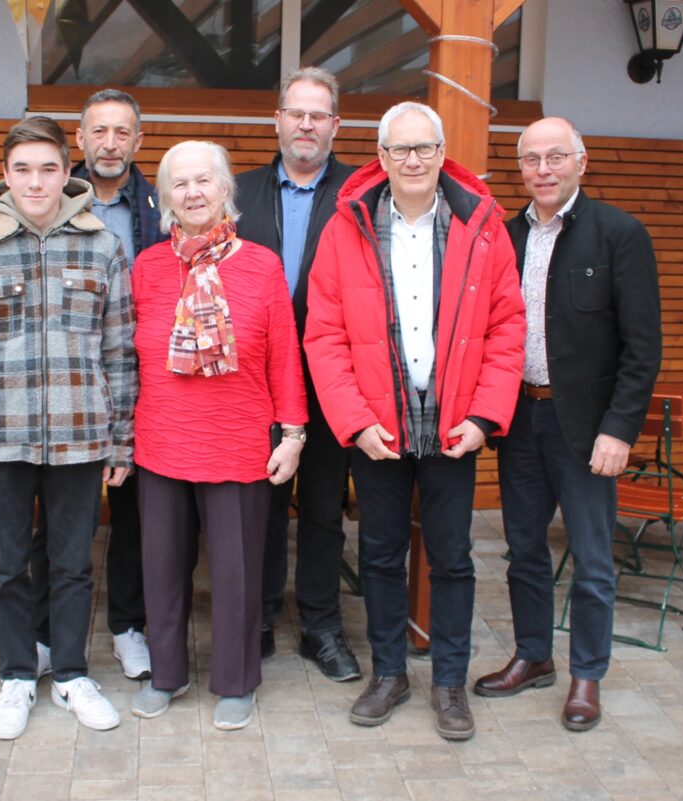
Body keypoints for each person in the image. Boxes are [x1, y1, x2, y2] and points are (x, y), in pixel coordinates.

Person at [304, 102, 525, 741]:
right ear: (380, 157)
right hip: (378, 429)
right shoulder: (346, 228)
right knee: (378, 555)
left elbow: (508, 328)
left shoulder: (480, 226)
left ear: (442, 152)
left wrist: (485, 417)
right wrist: (353, 421)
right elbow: (324, 336)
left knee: (453, 559)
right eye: (400, 150)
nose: (412, 160)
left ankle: (450, 684)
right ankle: (390, 675)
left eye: (424, 148)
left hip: (456, 428)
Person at [0, 116, 136, 740]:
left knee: (74, 564)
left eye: (48, 167)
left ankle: (73, 673)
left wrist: (121, 438)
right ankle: (19, 676)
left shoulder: (102, 246)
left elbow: (120, 351)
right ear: (5, 174)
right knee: (6, 567)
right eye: (22, 168)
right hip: (1, 437)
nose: (35, 180)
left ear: (66, 171)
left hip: (81, 437)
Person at [473, 116, 661, 732]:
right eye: (531, 159)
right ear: (521, 168)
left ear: (582, 161)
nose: (543, 169)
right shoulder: (506, 236)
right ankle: (534, 657)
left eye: (556, 157)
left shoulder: (618, 235)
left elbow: (643, 348)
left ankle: (587, 675)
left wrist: (620, 429)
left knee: (590, 557)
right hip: (520, 416)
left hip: (586, 427)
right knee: (523, 549)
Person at [128, 140, 306, 731]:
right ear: (164, 198)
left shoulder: (261, 265)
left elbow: (284, 355)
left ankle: (236, 680)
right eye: (179, 184)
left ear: (226, 189)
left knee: (236, 573)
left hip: (238, 440)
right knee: (161, 569)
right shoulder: (148, 267)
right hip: (161, 440)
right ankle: (166, 674)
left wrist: (293, 434)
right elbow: (128, 360)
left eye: (204, 180)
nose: (193, 193)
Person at [29, 89, 166, 683]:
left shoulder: (162, 207)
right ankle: (42, 633)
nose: (110, 143)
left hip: (150, 379)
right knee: (61, 518)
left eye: (122, 133)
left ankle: (128, 626)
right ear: (78, 142)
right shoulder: (50, 201)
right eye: (98, 132)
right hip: (74, 379)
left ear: (139, 142)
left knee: (135, 514)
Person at [235, 67, 360, 681]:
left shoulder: (363, 195)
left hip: (333, 379)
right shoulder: (240, 193)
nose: (306, 124)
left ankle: (320, 626)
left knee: (320, 509)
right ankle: (256, 617)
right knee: (257, 506)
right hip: (253, 385)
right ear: (277, 121)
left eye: (318, 115)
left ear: (335, 125)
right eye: (296, 112)